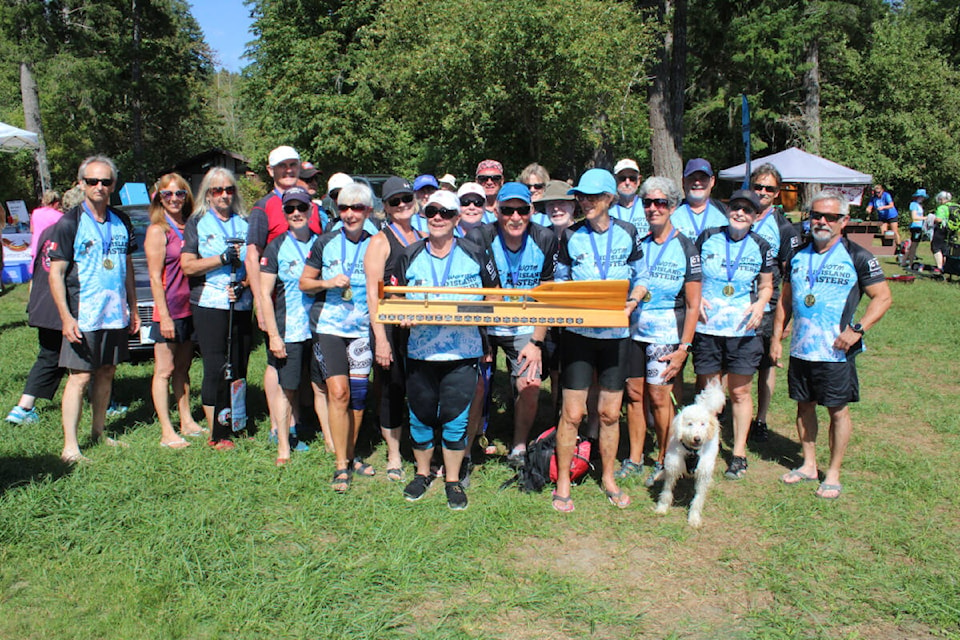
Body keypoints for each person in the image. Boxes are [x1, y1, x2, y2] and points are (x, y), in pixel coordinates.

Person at [771, 190, 891, 499]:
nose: (822, 221)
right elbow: (785, 300)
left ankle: (833, 472)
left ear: (844, 221)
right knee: (803, 405)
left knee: (837, 411)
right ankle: (809, 465)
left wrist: (857, 329)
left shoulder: (858, 256)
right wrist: (776, 337)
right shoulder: (798, 255)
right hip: (801, 349)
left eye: (831, 217)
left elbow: (883, 297)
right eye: (816, 215)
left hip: (836, 351)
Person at [396, 190, 499, 510]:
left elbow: (494, 297)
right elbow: (396, 297)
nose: (437, 217)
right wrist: (403, 314)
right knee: (421, 416)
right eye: (431, 212)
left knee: (455, 419)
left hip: (462, 353)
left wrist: (469, 312)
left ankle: (453, 480)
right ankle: (423, 473)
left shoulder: (476, 251)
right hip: (421, 352)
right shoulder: (410, 254)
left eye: (445, 212)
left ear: (457, 218)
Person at [551, 168, 645, 513]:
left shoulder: (628, 232)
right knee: (572, 413)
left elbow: (642, 275)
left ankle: (608, 478)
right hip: (579, 335)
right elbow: (560, 281)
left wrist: (632, 303)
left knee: (608, 413)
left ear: (609, 199)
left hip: (617, 337)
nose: (584, 203)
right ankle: (562, 481)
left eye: (592, 197)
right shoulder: (569, 235)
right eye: (581, 197)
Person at [49, 155, 140, 463]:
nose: (99, 187)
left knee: (107, 371)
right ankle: (70, 447)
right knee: (79, 377)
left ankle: (99, 431)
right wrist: (65, 317)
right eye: (92, 181)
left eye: (106, 181)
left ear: (114, 185)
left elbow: (127, 268)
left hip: (114, 313)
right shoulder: (69, 223)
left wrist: (134, 308)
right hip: (83, 313)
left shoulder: (121, 221)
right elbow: (56, 274)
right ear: (81, 184)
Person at [466, 181, 558, 463]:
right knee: (475, 385)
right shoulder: (480, 237)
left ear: (531, 210)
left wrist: (536, 342)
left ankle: (519, 446)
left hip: (526, 324)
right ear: (496, 211)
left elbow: (548, 295)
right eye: (508, 210)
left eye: (522, 210)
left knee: (530, 383)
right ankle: (467, 448)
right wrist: (482, 338)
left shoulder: (544, 238)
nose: (515, 217)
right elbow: (471, 291)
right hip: (486, 321)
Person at [619, 177, 702, 486]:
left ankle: (666, 458)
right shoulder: (637, 245)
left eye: (660, 203)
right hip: (634, 332)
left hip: (666, 333)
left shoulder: (686, 247)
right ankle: (635, 457)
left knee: (659, 397)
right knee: (634, 394)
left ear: (673, 206)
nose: (653, 209)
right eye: (648, 203)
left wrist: (685, 347)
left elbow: (694, 305)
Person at [245, 146, 326, 450]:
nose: (288, 170)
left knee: (305, 366)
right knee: (276, 362)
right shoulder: (263, 206)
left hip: (311, 304)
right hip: (279, 301)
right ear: (271, 171)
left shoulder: (312, 206)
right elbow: (253, 255)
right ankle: (279, 425)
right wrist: (259, 301)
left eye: (293, 165)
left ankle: (302, 419)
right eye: (282, 166)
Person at [300, 183, 376, 492]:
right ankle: (341, 465)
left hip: (362, 330)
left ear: (368, 211)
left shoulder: (377, 243)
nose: (350, 214)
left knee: (357, 397)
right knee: (339, 392)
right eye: (344, 208)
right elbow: (305, 282)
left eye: (357, 208)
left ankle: (352, 453)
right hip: (330, 327)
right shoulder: (325, 242)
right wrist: (328, 282)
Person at [693, 189, 774, 481]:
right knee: (711, 393)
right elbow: (693, 276)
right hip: (708, 327)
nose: (740, 213)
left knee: (739, 392)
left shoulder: (761, 245)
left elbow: (766, 285)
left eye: (747, 210)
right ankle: (706, 447)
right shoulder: (708, 237)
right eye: (736, 207)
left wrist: (762, 304)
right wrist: (697, 297)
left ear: (756, 216)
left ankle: (738, 454)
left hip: (743, 330)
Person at [181, 167, 252, 449]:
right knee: (215, 365)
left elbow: (255, 266)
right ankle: (216, 431)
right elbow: (188, 265)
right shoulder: (198, 222)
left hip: (240, 302)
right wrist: (220, 259)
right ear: (207, 194)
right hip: (210, 302)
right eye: (217, 190)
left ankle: (237, 420)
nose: (224, 195)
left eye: (229, 190)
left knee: (240, 363)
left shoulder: (245, 223)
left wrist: (244, 284)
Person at [365, 177, 425, 481]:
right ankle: (393, 453)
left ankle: (422, 451)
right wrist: (380, 339)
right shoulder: (380, 241)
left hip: (419, 327)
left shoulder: (423, 235)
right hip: (390, 327)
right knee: (391, 390)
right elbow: (373, 294)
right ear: (385, 207)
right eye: (394, 201)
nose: (402, 205)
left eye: (406, 198)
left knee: (420, 389)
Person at [259, 187, 323, 466]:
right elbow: (263, 294)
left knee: (321, 387)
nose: (296, 213)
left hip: (321, 327)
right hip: (291, 328)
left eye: (301, 207)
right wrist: (274, 335)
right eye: (290, 209)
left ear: (311, 210)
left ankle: (331, 442)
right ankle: (284, 445)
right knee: (288, 388)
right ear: (284, 213)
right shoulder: (276, 247)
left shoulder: (323, 242)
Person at [145, 173, 204, 449]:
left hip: (189, 307)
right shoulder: (158, 230)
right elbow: (155, 278)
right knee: (164, 370)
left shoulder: (190, 225)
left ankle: (187, 420)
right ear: (159, 197)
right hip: (168, 310)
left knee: (183, 368)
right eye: (167, 194)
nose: (174, 199)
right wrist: (164, 315)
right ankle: (166, 431)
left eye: (179, 193)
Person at [748, 164, 799, 442]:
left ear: (778, 193)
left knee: (767, 365)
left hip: (770, 303)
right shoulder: (739, 214)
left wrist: (785, 319)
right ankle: (718, 413)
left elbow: (789, 273)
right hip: (738, 302)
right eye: (759, 187)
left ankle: (761, 419)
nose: (763, 192)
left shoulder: (784, 227)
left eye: (769, 188)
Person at [5, 212, 66, 425]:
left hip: (41, 303)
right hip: (59, 306)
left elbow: (36, 267)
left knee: (49, 356)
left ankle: (23, 407)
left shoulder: (49, 232)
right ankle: (109, 404)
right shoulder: (74, 232)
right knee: (87, 356)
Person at [672, 158, 728, 241]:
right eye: (691, 178)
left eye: (703, 178)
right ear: (683, 181)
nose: (697, 182)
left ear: (712, 181)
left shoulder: (726, 212)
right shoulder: (671, 212)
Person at [610, 158, 647, 234]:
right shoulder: (607, 209)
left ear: (639, 181)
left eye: (632, 178)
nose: (627, 183)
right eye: (622, 178)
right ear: (615, 180)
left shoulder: (648, 206)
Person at [29, 190, 63, 264]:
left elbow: (32, 230)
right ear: (56, 203)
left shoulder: (35, 213)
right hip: (49, 250)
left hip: (36, 247)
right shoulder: (59, 216)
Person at [866, 183, 900, 248]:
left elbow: (891, 205)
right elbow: (870, 206)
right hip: (882, 217)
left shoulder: (886, 195)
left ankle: (899, 246)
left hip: (891, 215)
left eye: (879, 192)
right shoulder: (873, 198)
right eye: (876, 192)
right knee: (883, 232)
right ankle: (885, 247)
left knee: (895, 231)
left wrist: (883, 207)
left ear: (882, 191)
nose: (877, 194)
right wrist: (868, 209)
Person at [931, 191, 957, 274]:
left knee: (936, 247)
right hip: (952, 230)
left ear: (942, 199)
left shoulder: (942, 207)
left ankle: (939, 267)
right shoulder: (956, 206)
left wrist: (933, 219)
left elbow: (939, 219)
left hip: (942, 229)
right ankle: (945, 266)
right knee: (945, 248)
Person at [905, 188, 927, 266]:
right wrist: (925, 218)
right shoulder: (913, 205)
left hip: (919, 226)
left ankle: (904, 261)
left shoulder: (919, 205)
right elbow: (914, 217)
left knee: (913, 245)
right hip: (915, 226)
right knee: (913, 245)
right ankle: (910, 262)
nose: (922, 198)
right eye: (921, 197)